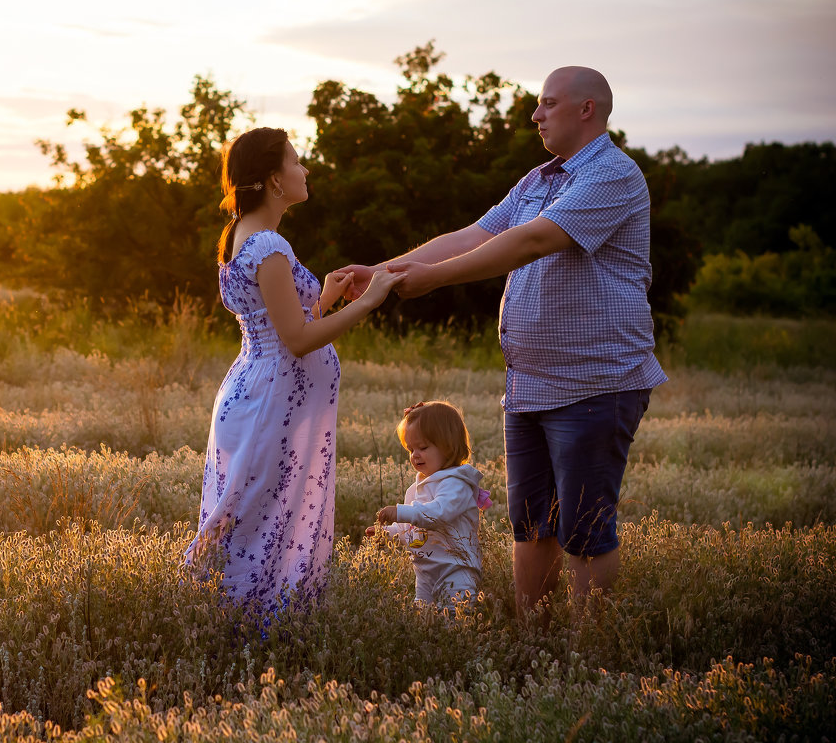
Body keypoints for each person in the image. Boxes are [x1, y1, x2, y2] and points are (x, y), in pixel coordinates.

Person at [338, 67, 667, 616]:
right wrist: (382, 271)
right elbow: (473, 236)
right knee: (531, 520)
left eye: (547, 104)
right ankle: (531, 640)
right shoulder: (538, 180)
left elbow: (534, 240)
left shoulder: (613, 174)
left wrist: (434, 280)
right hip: (530, 386)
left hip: (594, 383)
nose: (536, 115)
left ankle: (587, 656)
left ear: (587, 109)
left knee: (583, 527)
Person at [184, 127, 403, 610]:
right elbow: (297, 341)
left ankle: (230, 623)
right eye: (297, 162)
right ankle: (251, 630)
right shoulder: (269, 247)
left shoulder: (249, 238)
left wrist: (322, 299)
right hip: (270, 400)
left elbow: (282, 323)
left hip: (258, 389)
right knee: (260, 519)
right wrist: (368, 301)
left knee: (253, 516)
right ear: (272, 181)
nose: (305, 170)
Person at [365, 401, 492, 609]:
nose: (415, 455)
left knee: (454, 622)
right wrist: (389, 533)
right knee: (423, 620)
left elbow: (437, 514)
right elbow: (413, 529)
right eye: (410, 449)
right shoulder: (417, 487)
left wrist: (400, 512)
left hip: (456, 569)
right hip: (425, 571)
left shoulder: (455, 484)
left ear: (448, 446)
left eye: (423, 447)